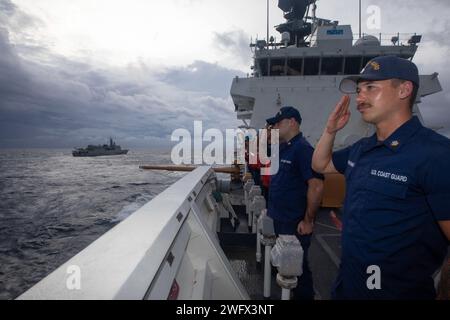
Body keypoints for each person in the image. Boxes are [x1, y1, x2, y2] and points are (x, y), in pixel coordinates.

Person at [312, 55, 450, 299]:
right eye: (359, 90)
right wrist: (330, 130)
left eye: (371, 88)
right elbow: (321, 165)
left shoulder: (436, 155)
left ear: (404, 90)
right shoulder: (362, 149)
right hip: (348, 286)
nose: (360, 98)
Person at [266, 106, 324, 300]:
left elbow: (316, 186)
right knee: (285, 263)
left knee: (298, 267)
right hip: (279, 217)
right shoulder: (284, 147)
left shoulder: (303, 150)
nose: (274, 126)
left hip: (293, 220)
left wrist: (308, 220)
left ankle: (305, 297)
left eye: (278, 123)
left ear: (292, 122)